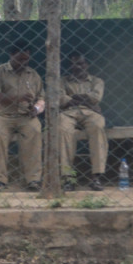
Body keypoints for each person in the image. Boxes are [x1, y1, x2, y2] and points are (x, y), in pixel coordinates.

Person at [0, 44, 44, 192]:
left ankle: (33, 180)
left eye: (26, 59)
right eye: (19, 59)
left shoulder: (33, 75)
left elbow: (42, 98)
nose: (23, 63)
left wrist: (36, 109)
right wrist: (17, 98)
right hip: (3, 116)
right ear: (11, 56)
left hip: (26, 116)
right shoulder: (0, 72)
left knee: (35, 131)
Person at [57, 53, 107, 191]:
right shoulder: (62, 81)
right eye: (74, 64)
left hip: (91, 113)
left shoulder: (97, 81)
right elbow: (60, 99)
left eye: (81, 63)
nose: (77, 67)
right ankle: (68, 177)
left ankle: (96, 176)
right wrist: (85, 98)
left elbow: (95, 98)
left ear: (87, 64)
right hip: (68, 113)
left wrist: (72, 98)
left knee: (98, 127)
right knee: (63, 130)